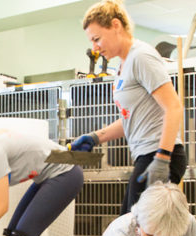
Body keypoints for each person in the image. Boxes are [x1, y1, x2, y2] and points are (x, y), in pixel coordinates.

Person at [73, 0, 185, 214]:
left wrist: (162, 159)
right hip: (146, 155)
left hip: (159, 154)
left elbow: (173, 106)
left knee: (135, 228)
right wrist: (96, 137)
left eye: (97, 39)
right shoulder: (122, 67)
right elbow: (131, 119)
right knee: (132, 227)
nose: (95, 48)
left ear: (116, 25)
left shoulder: (141, 57)